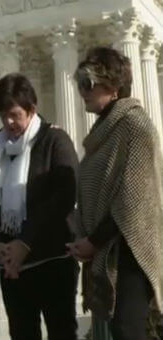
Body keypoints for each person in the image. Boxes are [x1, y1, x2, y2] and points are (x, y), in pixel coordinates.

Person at [67, 46, 163, 340]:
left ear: (113, 87)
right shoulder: (101, 133)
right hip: (105, 247)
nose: (83, 91)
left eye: (89, 83)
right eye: (80, 83)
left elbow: (133, 200)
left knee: (127, 331)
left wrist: (94, 241)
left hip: (131, 249)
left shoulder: (135, 125)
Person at [0, 73, 79, 340]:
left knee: (61, 332)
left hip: (53, 260)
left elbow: (64, 196)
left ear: (32, 109)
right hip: (13, 268)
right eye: (3, 116)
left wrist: (25, 242)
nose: (8, 123)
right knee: (22, 333)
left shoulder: (54, 141)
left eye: (14, 114)